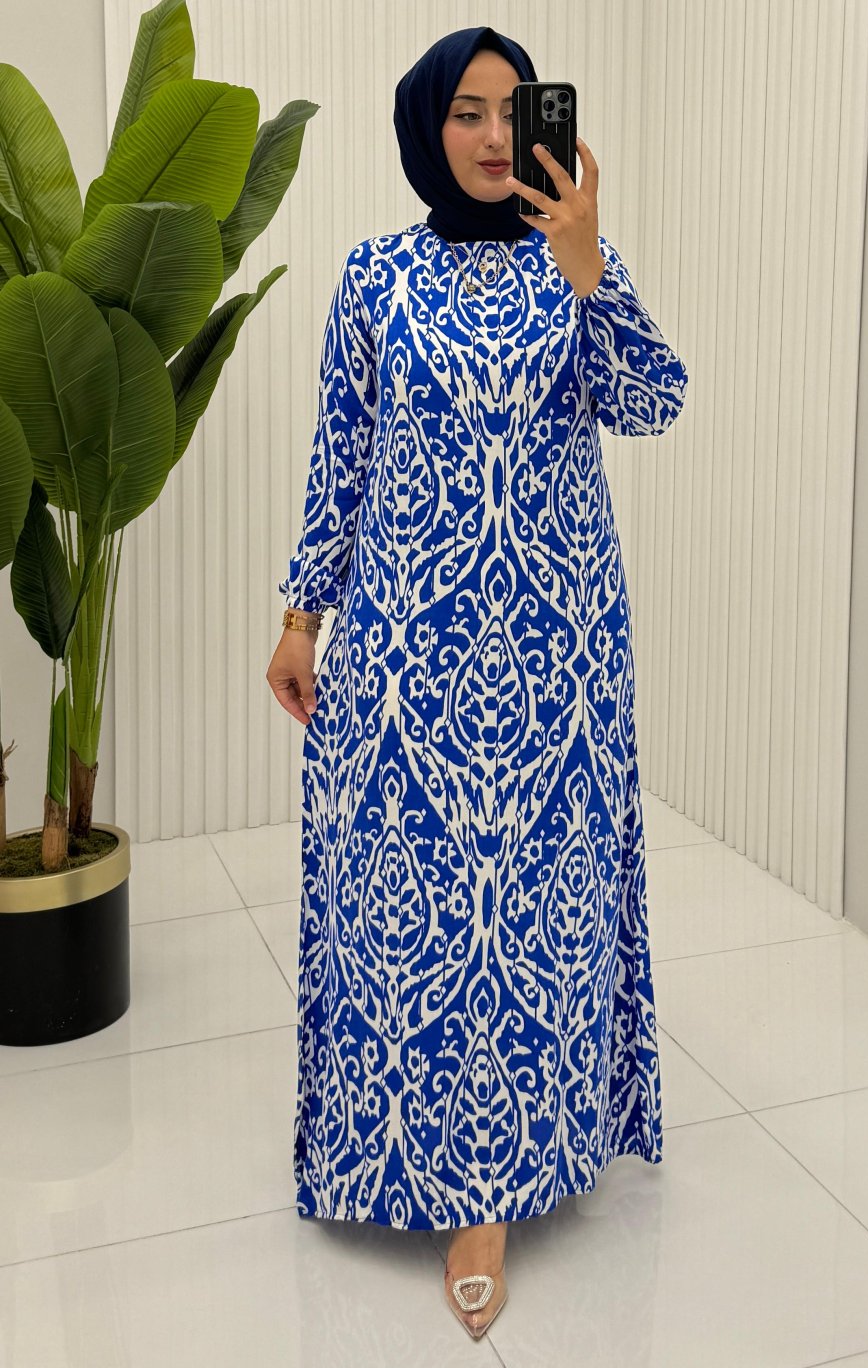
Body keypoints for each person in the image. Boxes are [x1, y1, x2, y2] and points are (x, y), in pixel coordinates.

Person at [266, 24, 688, 1341]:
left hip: (557, 649)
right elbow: (342, 453)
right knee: (412, 905)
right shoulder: (375, 277)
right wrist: (301, 619)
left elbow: (653, 404)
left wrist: (592, 272)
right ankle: (404, 1150)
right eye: (467, 111)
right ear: (425, 125)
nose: (497, 136)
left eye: (514, 110)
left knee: (540, 909)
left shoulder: (575, 261)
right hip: (409, 650)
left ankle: (498, 1187)